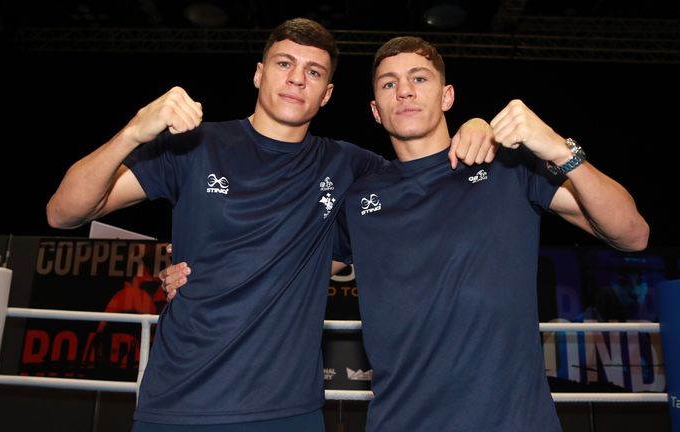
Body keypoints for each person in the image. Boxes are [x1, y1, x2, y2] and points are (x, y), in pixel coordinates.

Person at [161, 35, 649, 431]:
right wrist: (197, 273)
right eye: (390, 84)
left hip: (513, 420)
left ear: (447, 95)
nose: (406, 91)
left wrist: (559, 148)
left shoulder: (508, 166)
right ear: (376, 110)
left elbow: (632, 234)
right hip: (398, 420)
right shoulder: (359, 193)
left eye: (419, 79)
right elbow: (283, 255)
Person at [46, 19, 494, 431]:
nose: (298, 78)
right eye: (285, 64)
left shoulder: (347, 165)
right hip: (178, 400)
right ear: (260, 74)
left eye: (314, 72)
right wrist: (133, 132)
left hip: (287, 412)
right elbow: (63, 212)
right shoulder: (196, 146)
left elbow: (427, 179)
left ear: (328, 94)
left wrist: (475, 126)